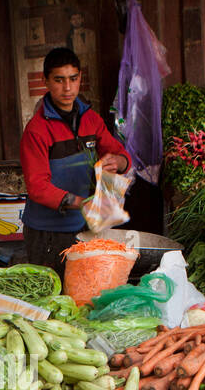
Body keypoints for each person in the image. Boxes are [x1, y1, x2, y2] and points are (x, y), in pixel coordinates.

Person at [20, 47, 131, 271]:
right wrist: (82, 203)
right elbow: (37, 186)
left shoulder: (91, 119)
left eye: (73, 79)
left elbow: (121, 154)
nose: (67, 88)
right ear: (46, 81)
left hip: (86, 227)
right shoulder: (37, 130)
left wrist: (118, 162)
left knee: (85, 289)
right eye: (59, 80)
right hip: (47, 233)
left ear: (80, 77)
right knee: (53, 293)